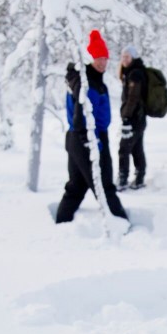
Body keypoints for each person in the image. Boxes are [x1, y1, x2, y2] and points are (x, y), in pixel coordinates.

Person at [56, 29, 129, 223]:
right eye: (98, 58)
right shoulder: (85, 82)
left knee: (77, 186)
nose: (102, 62)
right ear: (89, 58)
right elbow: (81, 113)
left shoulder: (92, 79)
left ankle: (61, 223)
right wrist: (90, 142)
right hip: (88, 139)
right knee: (104, 186)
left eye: (105, 58)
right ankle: (122, 224)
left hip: (81, 139)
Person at [117, 45, 147, 190]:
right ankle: (140, 178)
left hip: (134, 119)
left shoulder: (135, 74)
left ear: (133, 58)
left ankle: (122, 180)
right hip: (139, 119)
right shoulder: (132, 72)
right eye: (123, 56)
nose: (124, 59)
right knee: (136, 148)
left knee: (124, 149)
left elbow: (133, 98)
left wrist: (127, 117)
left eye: (127, 57)